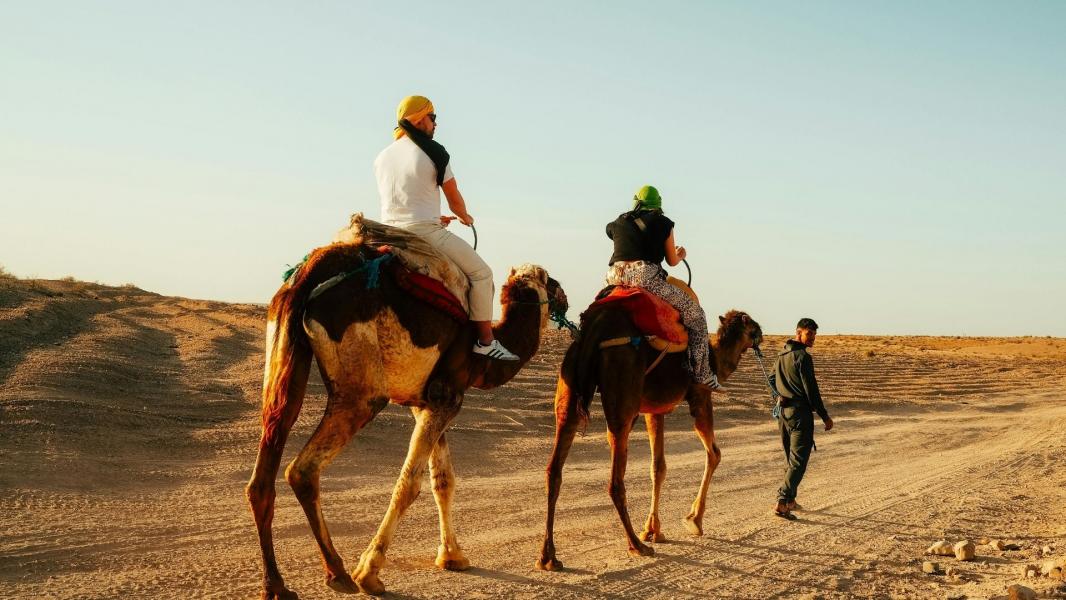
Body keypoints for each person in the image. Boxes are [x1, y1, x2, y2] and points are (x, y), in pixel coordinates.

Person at [374, 95, 518, 361]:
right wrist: (465, 217)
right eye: (433, 117)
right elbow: (455, 200)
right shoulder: (434, 151)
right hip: (423, 233)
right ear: (419, 119)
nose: (435, 124)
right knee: (482, 274)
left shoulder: (382, 156)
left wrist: (434, 215)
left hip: (386, 232)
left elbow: (405, 201)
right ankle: (486, 341)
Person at [604, 185, 721, 390]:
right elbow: (672, 261)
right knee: (696, 315)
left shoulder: (617, 223)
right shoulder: (663, 223)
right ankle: (702, 373)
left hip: (615, 276)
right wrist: (681, 253)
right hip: (644, 277)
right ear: (658, 205)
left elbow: (623, 242)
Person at [771, 317, 834, 520]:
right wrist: (824, 416)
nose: (813, 338)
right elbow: (811, 391)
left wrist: (777, 395)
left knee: (791, 459)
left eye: (814, 335)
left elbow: (771, 379)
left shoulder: (782, 354)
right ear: (798, 332)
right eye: (809, 334)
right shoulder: (802, 357)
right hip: (800, 415)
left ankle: (790, 500)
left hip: (783, 414)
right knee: (798, 462)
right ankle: (782, 503)